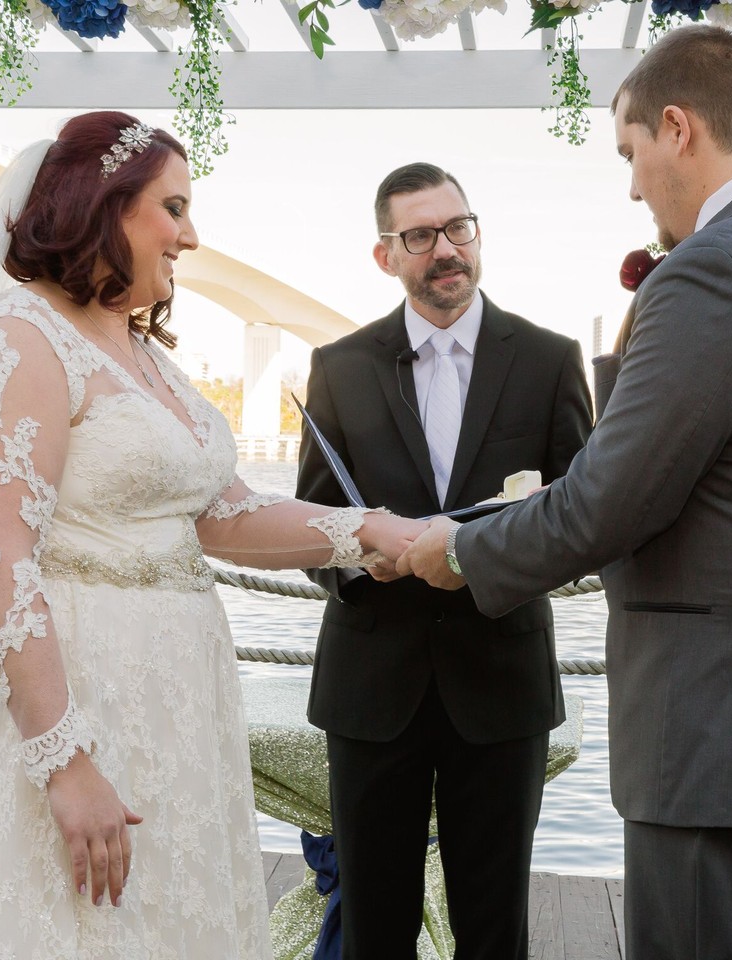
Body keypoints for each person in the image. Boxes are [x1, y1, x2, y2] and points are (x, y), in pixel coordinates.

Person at [0, 111, 423, 958]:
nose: (192, 236)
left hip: (170, 717)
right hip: (59, 716)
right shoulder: (14, 338)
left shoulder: (138, 352)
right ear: (103, 205)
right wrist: (64, 763)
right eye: (174, 208)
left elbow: (221, 513)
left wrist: (373, 532)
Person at [399, 26, 732, 960]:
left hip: (727, 739)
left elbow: (606, 502)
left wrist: (458, 549)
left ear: (678, 129)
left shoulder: (719, 267)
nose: (632, 186)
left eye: (630, 153)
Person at [295, 161, 593, 959]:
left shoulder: (549, 360)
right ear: (386, 254)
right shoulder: (340, 366)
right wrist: (362, 561)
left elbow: (579, 519)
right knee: (373, 930)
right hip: (372, 688)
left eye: (457, 228)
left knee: (495, 933)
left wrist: (477, 558)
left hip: (500, 685)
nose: (445, 250)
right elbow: (311, 524)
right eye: (420, 236)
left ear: (477, 233)